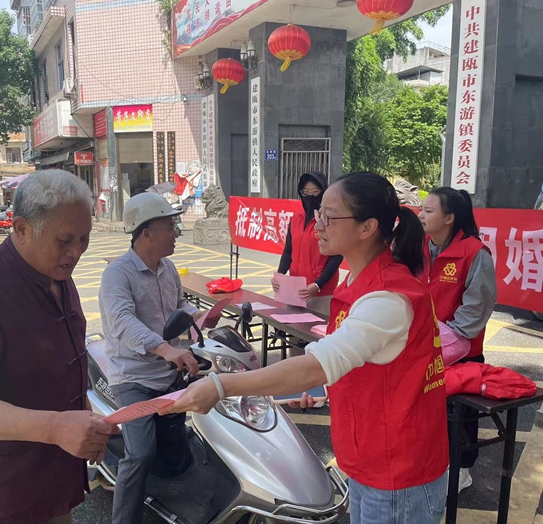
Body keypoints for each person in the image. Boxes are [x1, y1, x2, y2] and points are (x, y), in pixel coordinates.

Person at [163, 172, 449, 524]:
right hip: (373, 460)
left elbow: (316, 366)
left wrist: (220, 386)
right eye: (318, 214)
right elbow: (369, 364)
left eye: (329, 216)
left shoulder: (387, 298)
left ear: (367, 227)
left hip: (399, 474)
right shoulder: (360, 281)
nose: (318, 225)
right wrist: (328, 391)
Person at [0, 170, 119, 524]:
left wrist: (85, 420)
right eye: (64, 240)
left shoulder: (57, 276)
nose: (76, 252)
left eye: (84, 238)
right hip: (3, 489)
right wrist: (56, 427)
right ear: (20, 229)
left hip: (54, 480)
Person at [98, 192, 220, 524]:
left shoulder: (167, 269)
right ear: (146, 233)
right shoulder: (117, 274)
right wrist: (166, 349)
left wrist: (200, 317)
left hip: (169, 371)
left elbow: (179, 306)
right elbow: (122, 322)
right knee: (140, 453)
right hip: (133, 377)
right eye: (170, 226)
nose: (177, 232)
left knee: (184, 441)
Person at [418, 187, 497, 493]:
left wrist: (448, 338)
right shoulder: (421, 246)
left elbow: (476, 309)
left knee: (460, 417)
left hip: (462, 349)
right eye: (421, 209)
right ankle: (432, 460)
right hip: (425, 345)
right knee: (427, 408)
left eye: (428, 211)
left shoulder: (475, 253)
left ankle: (463, 469)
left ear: (449, 218)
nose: (421, 215)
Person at [272, 172, 343, 315]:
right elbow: (288, 251)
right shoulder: (296, 219)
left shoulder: (329, 221)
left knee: (317, 328)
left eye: (315, 192)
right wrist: (279, 275)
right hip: (295, 289)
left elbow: (337, 256)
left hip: (321, 292)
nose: (310, 196)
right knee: (292, 327)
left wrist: (318, 284)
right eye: (306, 192)